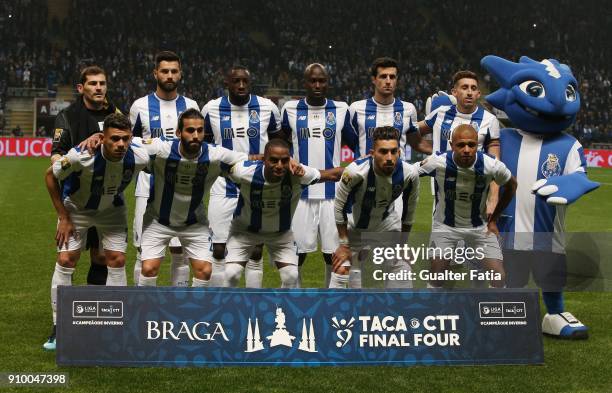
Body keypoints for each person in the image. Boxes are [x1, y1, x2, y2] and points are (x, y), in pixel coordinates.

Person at [43, 113, 148, 351]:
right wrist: (62, 216)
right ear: (103, 138)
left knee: (117, 259)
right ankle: (59, 326)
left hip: (112, 210)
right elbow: (50, 176)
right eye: (114, 139)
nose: (120, 144)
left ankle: (117, 324)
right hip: (77, 210)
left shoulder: (140, 152)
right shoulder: (82, 155)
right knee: (66, 259)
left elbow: (167, 148)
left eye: (125, 139)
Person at [136, 109, 257, 288]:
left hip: (194, 222)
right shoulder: (161, 149)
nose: (196, 135)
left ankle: (192, 309)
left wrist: (280, 160)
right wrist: (99, 137)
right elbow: (129, 142)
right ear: (178, 133)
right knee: (148, 268)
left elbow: (248, 159)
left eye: (200, 131)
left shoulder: (215, 155)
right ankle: (144, 312)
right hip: (158, 221)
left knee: (204, 271)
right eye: (190, 130)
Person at [224, 139, 344, 288]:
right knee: (231, 273)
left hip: (280, 234)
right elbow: (219, 165)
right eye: (273, 160)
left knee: (291, 275)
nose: (279, 166)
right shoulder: (244, 172)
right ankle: (228, 310)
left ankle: (281, 310)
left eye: (284, 161)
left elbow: (332, 175)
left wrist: (363, 168)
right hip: (244, 231)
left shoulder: (299, 175)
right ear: (264, 160)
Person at [202, 65, 281, 287]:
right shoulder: (211, 109)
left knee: (255, 250)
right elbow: (204, 146)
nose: (241, 85)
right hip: (222, 187)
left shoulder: (267, 108)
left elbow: (279, 143)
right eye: (236, 81)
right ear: (226, 83)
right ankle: (218, 302)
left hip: (256, 188)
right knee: (218, 248)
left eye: (245, 81)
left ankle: (252, 304)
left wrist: (265, 157)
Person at [281, 63, 357, 287]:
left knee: (332, 256)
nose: (317, 85)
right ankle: (293, 301)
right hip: (299, 195)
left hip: (333, 196)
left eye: (321, 80)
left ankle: (329, 303)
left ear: (327, 83)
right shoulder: (290, 109)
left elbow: (356, 146)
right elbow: (279, 143)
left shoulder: (341, 109)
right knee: (296, 256)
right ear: (304, 83)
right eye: (312, 81)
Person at [129, 51, 199, 287]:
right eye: (164, 71)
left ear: (180, 74)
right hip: (148, 188)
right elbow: (131, 145)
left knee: (181, 254)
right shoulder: (140, 106)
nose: (169, 76)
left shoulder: (191, 106)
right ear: (155, 73)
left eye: (174, 71)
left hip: (183, 191)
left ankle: (178, 308)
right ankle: (142, 307)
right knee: (143, 251)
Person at [418, 124, 517, 288]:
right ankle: (435, 310)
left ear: (477, 145)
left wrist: (494, 219)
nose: (466, 149)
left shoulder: (490, 165)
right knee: (436, 275)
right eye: (461, 145)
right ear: (451, 145)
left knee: (498, 276)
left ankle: (495, 312)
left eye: (471, 145)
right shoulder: (438, 161)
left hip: (479, 228)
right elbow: (410, 172)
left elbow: (512, 185)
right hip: (445, 227)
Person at [51, 65, 122, 287]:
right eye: (93, 83)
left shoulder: (116, 114)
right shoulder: (68, 116)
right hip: (76, 199)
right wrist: (72, 159)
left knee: (101, 257)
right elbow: (55, 157)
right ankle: (60, 318)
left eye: (102, 83)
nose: (98, 88)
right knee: (67, 258)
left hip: (107, 199)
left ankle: (95, 314)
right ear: (81, 88)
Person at [331, 126, 420, 289]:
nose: (389, 157)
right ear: (372, 153)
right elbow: (339, 208)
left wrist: (403, 245)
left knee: (403, 267)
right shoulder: (354, 172)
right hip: (354, 227)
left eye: (394, 151)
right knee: (341, 267)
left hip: (386, 226)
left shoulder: (410, 174)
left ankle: (398, 312)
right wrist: (343, 245)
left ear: (399, 152)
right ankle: (336, 311)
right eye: (383, 151)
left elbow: (409, 212)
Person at [417, 70, 502, 217]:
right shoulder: (440, 114)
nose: (469, 92)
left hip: (476, 191)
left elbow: (495, 164)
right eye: (464, 88)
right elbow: (413, 130)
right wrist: (428, 149)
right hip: (443, 190)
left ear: (478, 94)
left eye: (473, 88)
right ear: (454, 92)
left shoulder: (490, 120)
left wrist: (494, 198)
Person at [349, 57, 432, 160]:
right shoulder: (356, 109)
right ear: (374, 79)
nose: (388, 81)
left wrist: (443, 153)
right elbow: (347, 141)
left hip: (398, 175)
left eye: (392, 77)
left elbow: (417, 143)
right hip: (365, 175)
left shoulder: (408, 109)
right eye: (383, 76)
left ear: (396, 80)